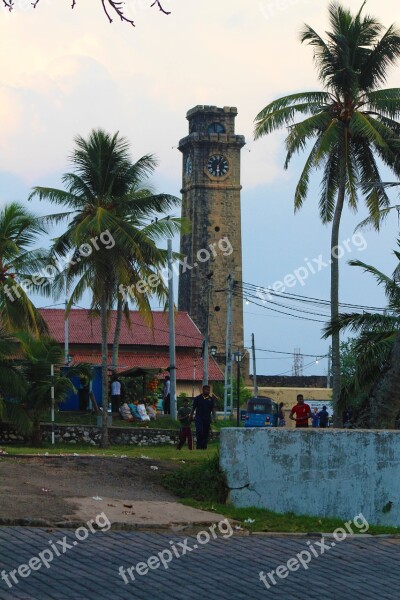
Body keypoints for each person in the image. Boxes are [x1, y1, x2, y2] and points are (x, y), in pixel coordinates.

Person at [190, 385, 217, 449]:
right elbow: (193, 408)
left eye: (209, 390)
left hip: (207, 419)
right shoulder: (197, 398)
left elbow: (213, 409)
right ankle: (198, 446)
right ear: (203, 390)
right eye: (207, 390)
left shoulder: (211, 399)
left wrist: (214, 417)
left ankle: (204, 447)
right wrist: (191, 416)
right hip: (198, 418)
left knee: (205, 433)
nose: (208, 391)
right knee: (199, 432)